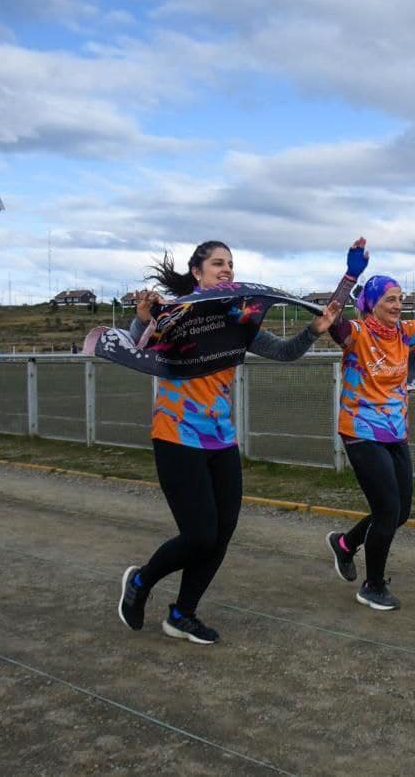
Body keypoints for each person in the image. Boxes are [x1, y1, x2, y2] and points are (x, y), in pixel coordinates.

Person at [118, 240, 343, 644]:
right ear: (197, 271)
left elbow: (285, 352)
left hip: (221, 439)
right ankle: (141, 581)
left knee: (221, 534)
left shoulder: (236, 317)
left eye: (231, 264)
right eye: (217, 263)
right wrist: (141, 318)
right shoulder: (176, 312)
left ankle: (182, 614)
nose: (226, 269)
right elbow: (139, 346)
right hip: (176, 435)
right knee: (200, 534)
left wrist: (314, 330)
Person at [324, 247, 415, 610]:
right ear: (372, 303)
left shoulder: (404, 333)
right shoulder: (355, 333)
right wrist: (350, 276)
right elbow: (330, 317)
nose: (397, 305)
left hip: (394, 431)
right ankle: (372, 586)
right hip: (359, 430)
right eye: (390, 299)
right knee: (387, 510)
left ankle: (345, 543)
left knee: (400, 511)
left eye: (400, 299)